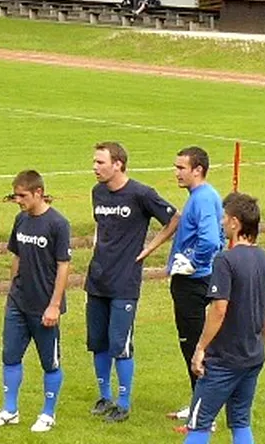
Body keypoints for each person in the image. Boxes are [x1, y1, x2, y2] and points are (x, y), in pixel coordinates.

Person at [86, 141, 179, 423]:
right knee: (98, 342)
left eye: (100, 162)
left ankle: (123, 403)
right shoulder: (98, 193)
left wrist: (150, 248)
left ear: (118, 164)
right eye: (94, 162)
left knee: (120, 344)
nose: (95, 168)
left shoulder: (140, 194)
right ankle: (105, 397)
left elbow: (174, 218)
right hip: (97, 279)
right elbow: (100, 228)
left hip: (124, 282)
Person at [183, 192, 265, 444]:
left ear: (236, 222)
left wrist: (200, 348)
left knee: (199, 422)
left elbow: (219, 308)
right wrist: (259, 343)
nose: (222, 223)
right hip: (252, 357)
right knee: (240, 421)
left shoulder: (225, 260)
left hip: (224, 360)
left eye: (224, 218)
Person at [0, 170, 73, 433]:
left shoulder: (58, 224)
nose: (18, 200)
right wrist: (11, 291)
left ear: (38, 193)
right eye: (15, 196)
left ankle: (48, 413)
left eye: (22, 196)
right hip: (18, 302)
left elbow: (63, 266)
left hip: (44, 306)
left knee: (50, 362)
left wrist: (55, 305)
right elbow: (17, 257)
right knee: (10, 356)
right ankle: (10, 410)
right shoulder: (20, 220)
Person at [167, 147, 225, 428]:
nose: (176, 172)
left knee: (193, 344)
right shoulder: (204, 195)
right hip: (200, 277)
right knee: (196, 342)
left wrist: (192, 262)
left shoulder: (201, 199)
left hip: (193, 280)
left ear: (197, 169)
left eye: (181, 167)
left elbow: (212, 240)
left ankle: (204, 415)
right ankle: (198, 403)